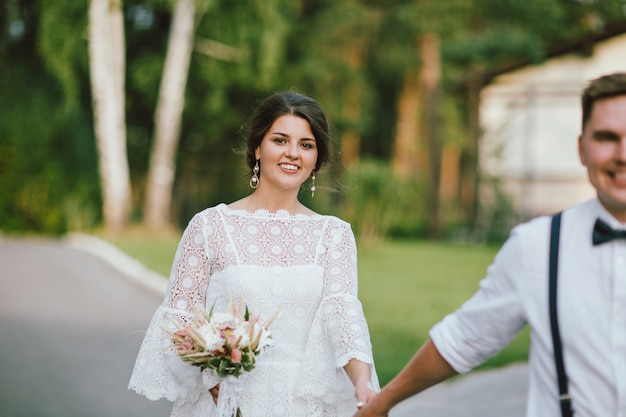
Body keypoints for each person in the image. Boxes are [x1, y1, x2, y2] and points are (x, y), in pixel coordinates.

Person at [354, 71, 626, 417]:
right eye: (607, 137)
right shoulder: (539, 246)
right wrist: (382, 402)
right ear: (581, 148)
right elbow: (464, 338)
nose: (622, 153)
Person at [128, 91, 379, 417]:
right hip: (226, 401)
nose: (293, 153)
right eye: (280, 140)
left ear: (317, 158)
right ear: (257, 147)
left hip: (302, 405)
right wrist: (211, 377)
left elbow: (342, 314)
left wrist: (362, 383)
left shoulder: (334, 235)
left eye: (306, 145)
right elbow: (180, 318)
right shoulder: (209, 227)